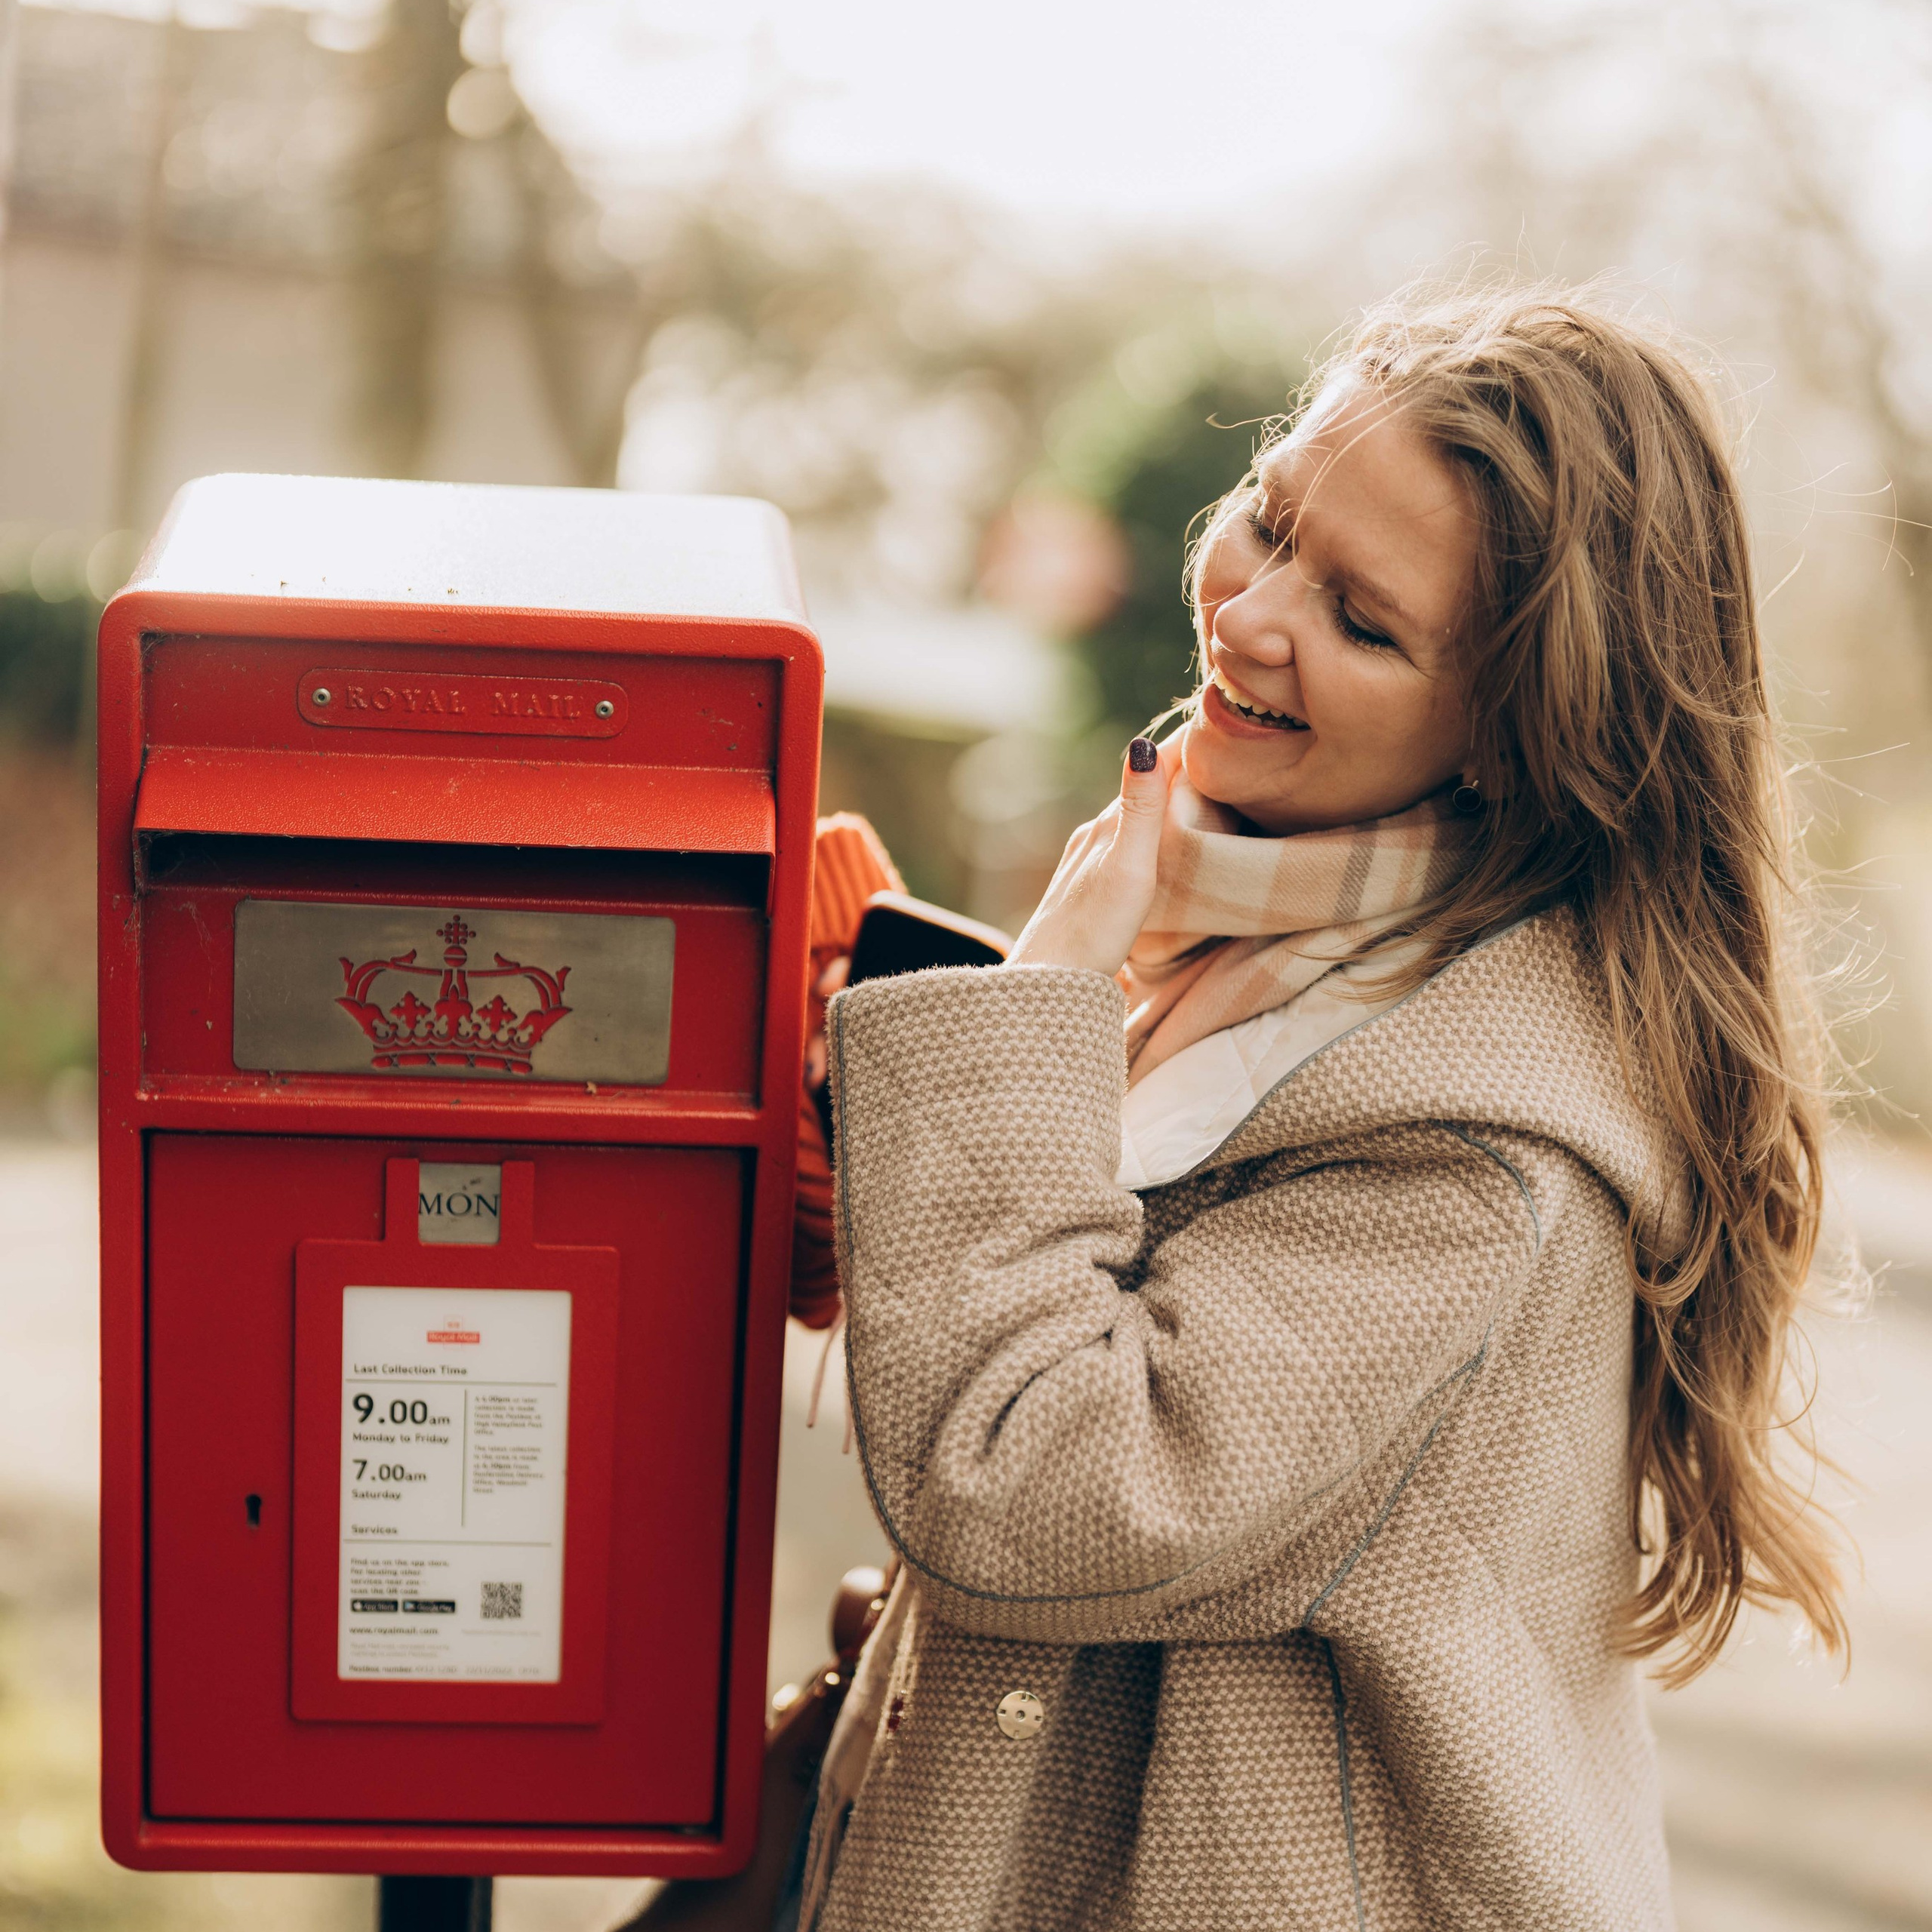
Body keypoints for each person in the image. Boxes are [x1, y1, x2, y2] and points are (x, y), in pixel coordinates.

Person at [798, 285, 1848, 1932]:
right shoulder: (1253, 935)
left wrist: (1040, 1000)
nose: (1251, 610)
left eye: (1362, 620)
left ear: (1516, 732)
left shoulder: (1478, 1155)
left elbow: (1030, 1484)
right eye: (1271, 521)